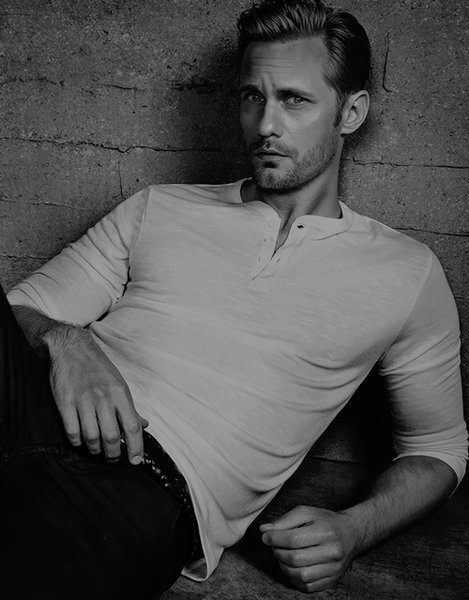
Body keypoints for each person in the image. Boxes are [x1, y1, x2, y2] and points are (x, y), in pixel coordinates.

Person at [1, 0, 467, 597]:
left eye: (294, 100)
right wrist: (64, 339)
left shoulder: (407, 272)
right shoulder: (160, 206)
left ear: (350, 112)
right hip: (33, 412)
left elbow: (438, 448)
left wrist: (355, 529)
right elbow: (21, 308)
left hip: (142, 495)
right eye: (253, 97)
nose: (266, 124)